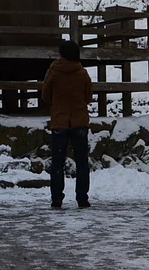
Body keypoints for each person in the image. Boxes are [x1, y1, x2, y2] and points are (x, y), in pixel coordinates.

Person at [41, 39, 93, 209]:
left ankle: (57, 198)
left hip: (60, 121)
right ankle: (82, 198)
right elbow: (88, 97)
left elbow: (45, 96)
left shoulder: (54, 72)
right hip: (79, 121)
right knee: (82, 161)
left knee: (57, 162)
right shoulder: (82, 73)